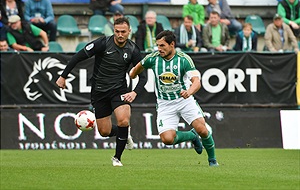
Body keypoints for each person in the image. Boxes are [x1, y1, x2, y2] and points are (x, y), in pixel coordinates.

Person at [56, 17, 147, 167]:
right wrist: (63, 76)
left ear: (129, 31)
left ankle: (117, 158)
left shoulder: (133, 50)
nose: (120, 34)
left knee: (123, 120)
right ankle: (123, 133)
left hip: (120, 90)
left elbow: (142, 78)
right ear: (114, 31)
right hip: (99, 91)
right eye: (117, 31)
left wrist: (135, 92)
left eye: (123, 32)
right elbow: (78, 56)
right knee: (104, 131)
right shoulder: (102, 43)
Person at [129, 30, 219, 167]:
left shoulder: (183, 59)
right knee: (167, 139)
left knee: (203, 129)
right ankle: (191, 136)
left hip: (184, 101)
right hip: (165, 104)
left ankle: (212, 160)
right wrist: (133, 74)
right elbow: (137, 69)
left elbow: (197, 81)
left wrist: (189, 92)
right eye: (157, 45)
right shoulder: (153, 58)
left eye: (162, 46)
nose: (159, 49)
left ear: (172, 44)